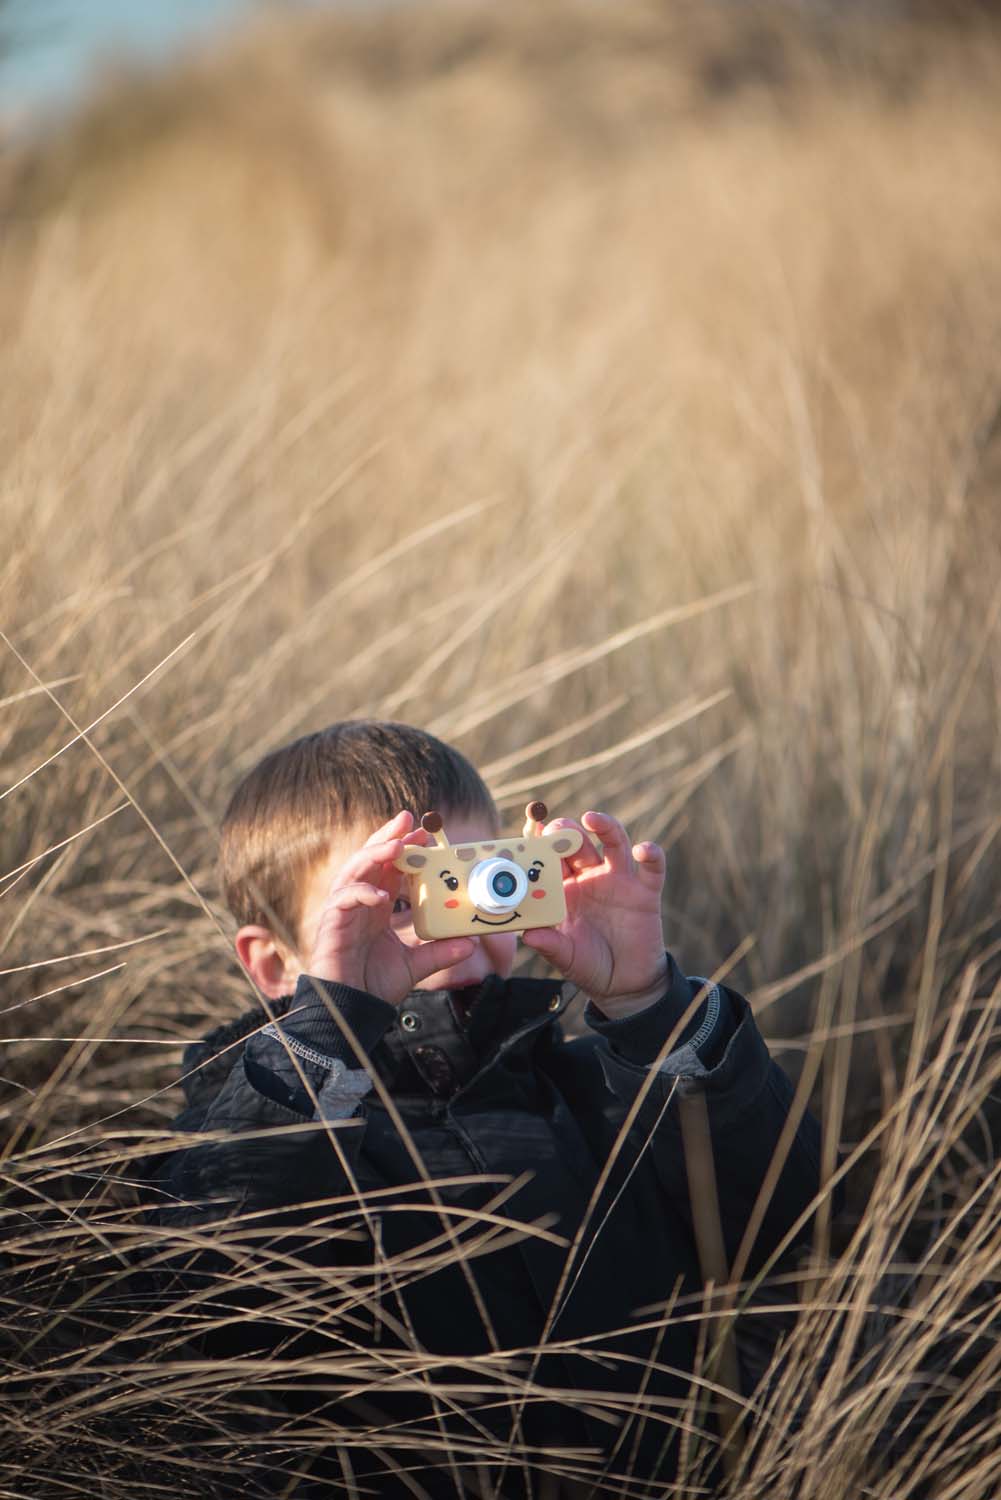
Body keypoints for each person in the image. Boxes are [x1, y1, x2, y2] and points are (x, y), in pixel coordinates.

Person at [150, 720, 823, 1498]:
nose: (454, 935)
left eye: (477, 884)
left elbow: (795, 1226)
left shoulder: (600, 1090)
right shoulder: (272, 1116)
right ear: (274, 963)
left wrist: (649, 1006)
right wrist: (325, 1032)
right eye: (399, 902)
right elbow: (197, 1299)